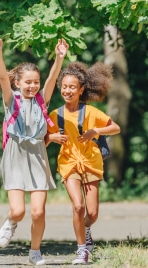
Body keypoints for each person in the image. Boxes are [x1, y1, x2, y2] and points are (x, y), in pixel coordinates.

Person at [0, 36, 68, 266]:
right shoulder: (11, 99)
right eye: (28, 82)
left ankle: (35, 251)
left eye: (35, 82)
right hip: (15, 153)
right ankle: (11, 222)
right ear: (18, 83)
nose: (32, 86)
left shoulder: (42, 99)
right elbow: (2, 75)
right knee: (19, 211)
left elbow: (52, 78)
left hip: (38, 155)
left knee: (38, 212)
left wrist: (59, 58)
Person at [46, 61, 120, 265]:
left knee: (93, 213)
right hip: (69, 164)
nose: (67, 91)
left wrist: (96, 131)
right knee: (78, 206)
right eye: (64, 87)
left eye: (72, 87)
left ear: (81, 90)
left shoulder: (91, 112)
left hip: (91, 162)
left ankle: (86, 229)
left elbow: (115, 128)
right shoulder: (55, 115)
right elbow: (42, 139)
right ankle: (81, 251)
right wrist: (51, 138)